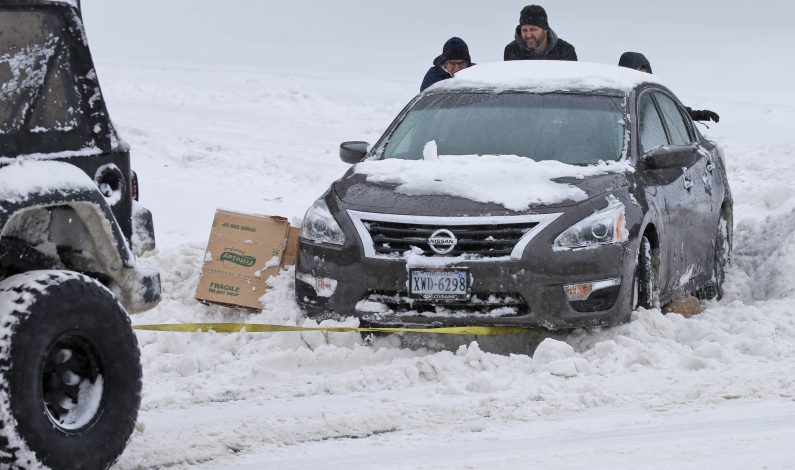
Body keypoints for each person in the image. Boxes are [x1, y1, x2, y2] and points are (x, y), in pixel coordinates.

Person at [618, 51, 720, 123]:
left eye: (645, 75)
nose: (642, 78)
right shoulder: (615, 100)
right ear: (627, 71)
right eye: (638, 74)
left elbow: (676, 112)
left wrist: (701, 115)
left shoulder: (649, 96)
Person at [504, 5, 577, 61]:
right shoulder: (511, 50)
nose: (528, 35)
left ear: (545, 29)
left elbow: (575, 79)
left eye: (533, 29)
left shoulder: (565, 50)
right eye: (524, 30)